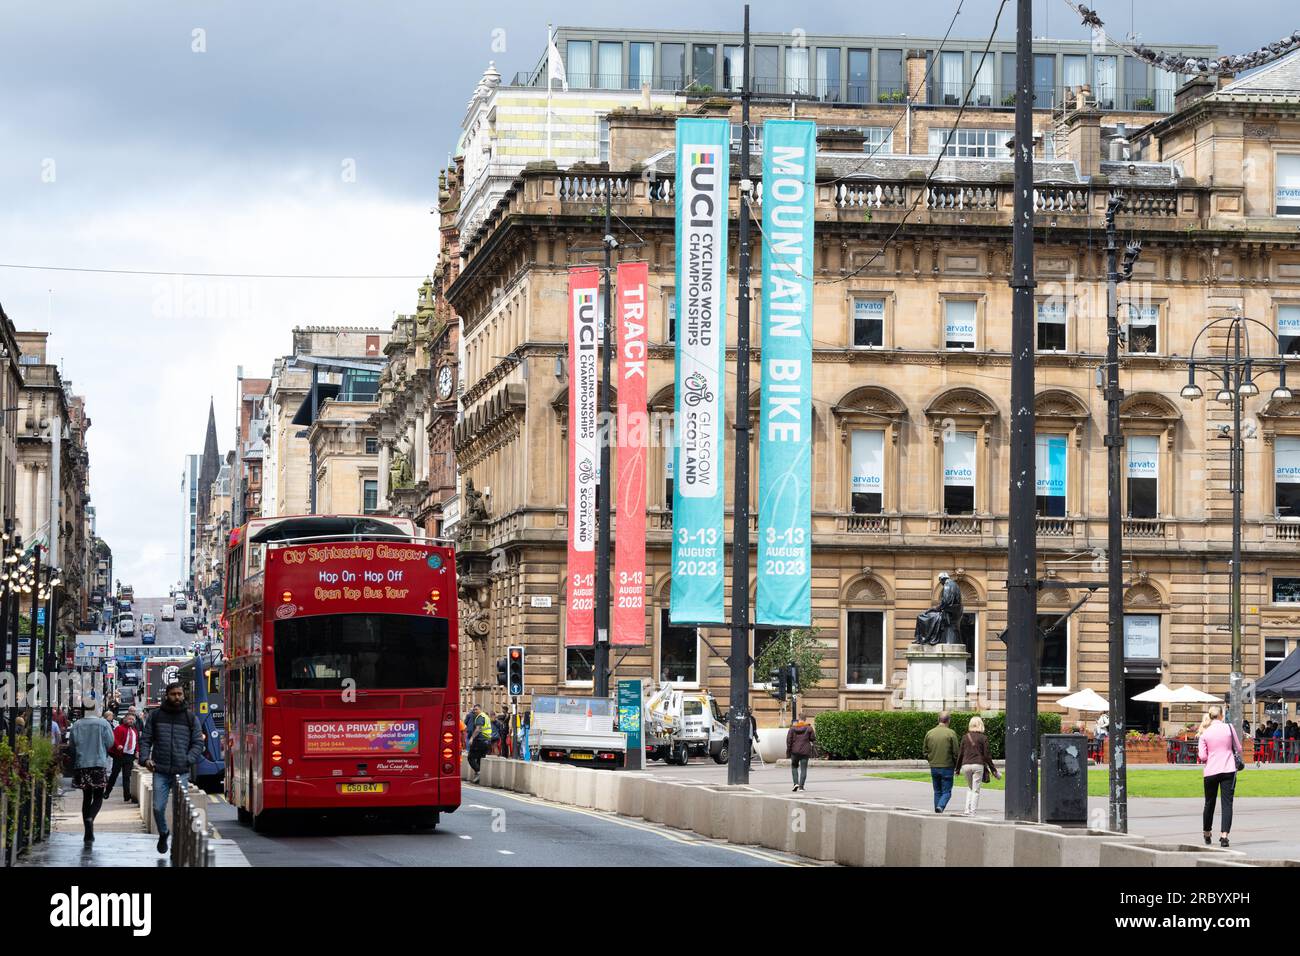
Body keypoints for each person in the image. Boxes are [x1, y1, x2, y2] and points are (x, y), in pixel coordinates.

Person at [139, 682, 204, 854]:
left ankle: (178, 841)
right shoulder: (156, 716)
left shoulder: (191, 718)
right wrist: (145, 759)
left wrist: (187, 760)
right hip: (160, 770)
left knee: (180, 810)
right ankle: (164, 832)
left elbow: (198, 743)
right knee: (158, 807)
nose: (177, 697)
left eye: (180, 694)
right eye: (174, 694)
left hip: (180, 771)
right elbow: (145, 739)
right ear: (167, 695)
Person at [66, 711, 115, 844]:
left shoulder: (77, 724)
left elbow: (72, 745)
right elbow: (110, 742)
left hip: (82, 764)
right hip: (98, 763)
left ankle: (88, 832)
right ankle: (90, 819)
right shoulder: (104, 724)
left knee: (86, 797)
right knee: (98, 796)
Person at [1197, 704, 1241, 848]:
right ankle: (1224, 836)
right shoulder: (1229, 728)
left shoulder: (1205, 733)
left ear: (1210, 716)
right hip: (1228, 769)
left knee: (1209, 803)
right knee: (1227, 803)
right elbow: (1239, 748)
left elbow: (1202, 756)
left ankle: (1207, 831)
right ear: (1221, 715)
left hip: (1211, 771)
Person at [956, 715, 1000, 815]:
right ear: (981, 725)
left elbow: (961, 754)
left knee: (969, 788)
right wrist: (993, 770)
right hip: (978, 764)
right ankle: (972, 811)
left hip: (966, 765)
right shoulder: (983, 738)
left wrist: (957, 769)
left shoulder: (965, 737)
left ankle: (966, 809)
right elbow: (987, 755)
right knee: (976, 790)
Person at [923, 711, 961, 813]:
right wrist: (957, 765)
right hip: (947, 766)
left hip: (934, 766)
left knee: (937, 791)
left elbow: (925, 751)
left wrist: (931, 759)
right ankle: (940, 806)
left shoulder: (929, 733)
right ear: (949, 720)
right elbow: (956, 752)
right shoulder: (951, 733)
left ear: (938, 720)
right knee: (947, 791)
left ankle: (937, 810)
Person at [105, 712, 139, 802]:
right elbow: (114, 738)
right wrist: (118, 745)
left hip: (129, 756)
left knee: (126, 776)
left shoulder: (134, 730)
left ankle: (127, 795)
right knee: (114, 774)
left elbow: (136, 742)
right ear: (125, 719)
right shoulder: (119, 728)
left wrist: (137, 751)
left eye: (132, 719)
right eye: (129, 719)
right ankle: (107, 792)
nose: (131, 721)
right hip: (119, 755)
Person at [786, 717, 815, 792]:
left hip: (794, 751)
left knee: (794, 767)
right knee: (803, 769)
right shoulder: (809, 728)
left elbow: (789, 741)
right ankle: (801, 787)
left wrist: (788, 752)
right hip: (805, 751)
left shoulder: (792, 729)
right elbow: (813, 738)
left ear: (798, 720)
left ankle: (796, 783)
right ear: (805, 719)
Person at [466, 704, 492, 782]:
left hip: (480, 740)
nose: (475, 711)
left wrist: (471, 738)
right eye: (474, 710)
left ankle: (478, 772)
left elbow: (478, 729)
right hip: (487, 741)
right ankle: (477, 777)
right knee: (479, 759)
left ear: (480, 709)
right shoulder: (485, 716)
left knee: (470, 757)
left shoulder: (480, 717)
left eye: (476, 709)